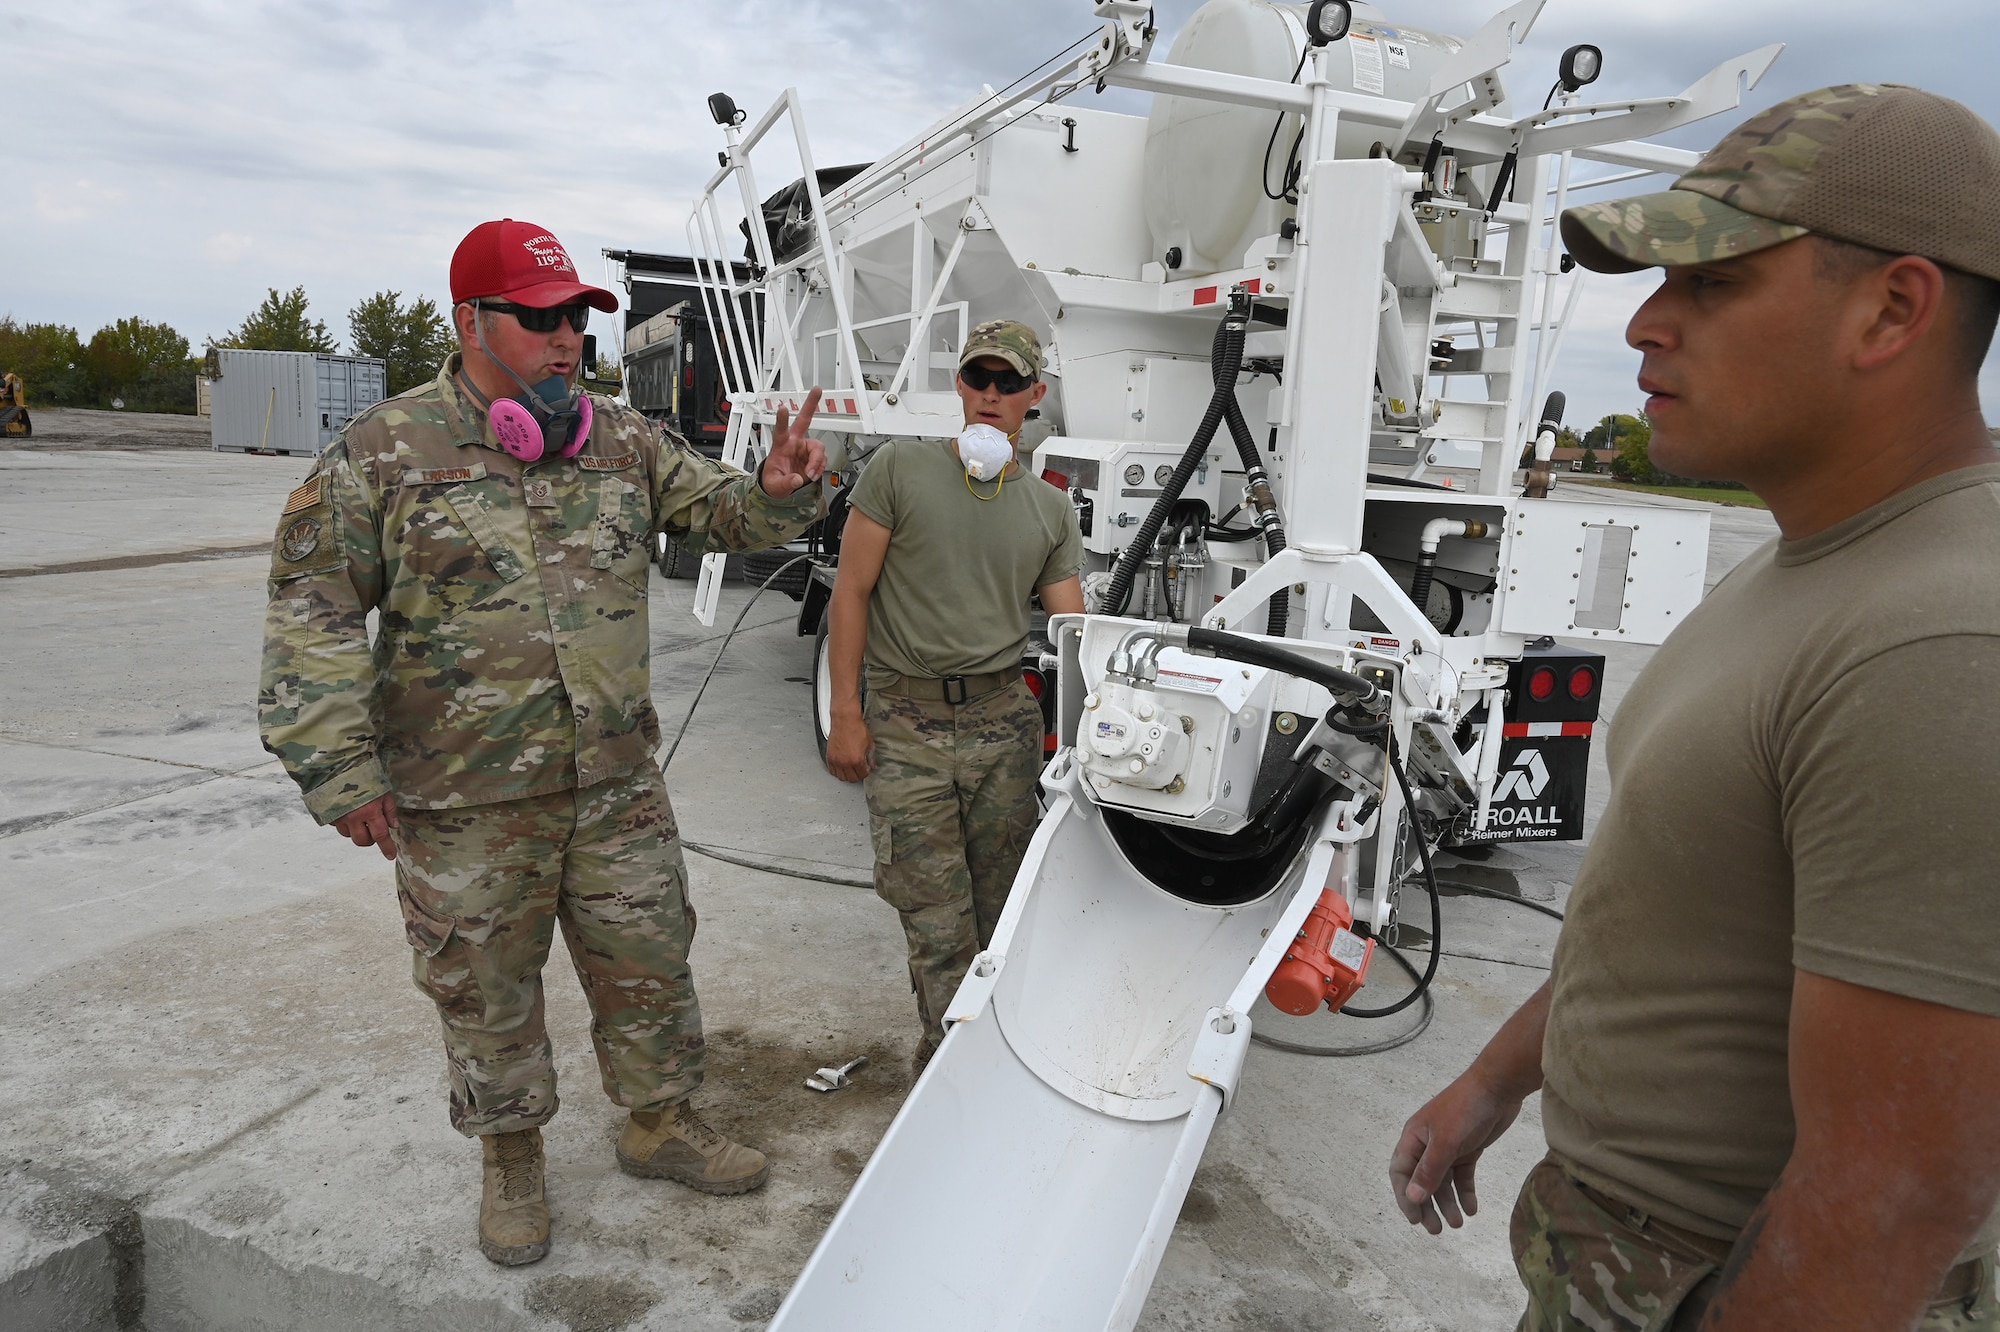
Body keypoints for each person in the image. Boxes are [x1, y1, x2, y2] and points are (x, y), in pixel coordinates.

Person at [1389, 85, 2000, 1330]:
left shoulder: (1938, 639)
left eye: (1710, 284)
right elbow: (1679, 901)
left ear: (1892, 309)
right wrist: (1499, 1080)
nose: (1646, 326)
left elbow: (1884, 1204)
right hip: (1630, 1260)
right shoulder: (1818, 562)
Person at [259, 218, 827, 1267]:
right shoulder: (386, 451)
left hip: (613, 784)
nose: (566, 339)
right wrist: (336, 764)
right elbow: (314, 610)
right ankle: (510, 1151)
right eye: (540, 318)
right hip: (463, 799)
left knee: (650, 961)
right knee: (483, 985)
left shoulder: (621, 438)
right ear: (470, 321)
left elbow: (727, 516)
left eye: (575, 318)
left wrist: (781, 492)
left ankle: (659, 1122)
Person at [823, 320, 1085, 1067]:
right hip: (905, 720)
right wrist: (846, 713)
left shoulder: (1049, 509)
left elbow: (1072, 626)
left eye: (1009, 383)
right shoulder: (899, 470)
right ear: (961, 387)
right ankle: (950, 1072)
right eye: (979, 379)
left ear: (1035, 395)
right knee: (936, 917)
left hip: (1003, 722)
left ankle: (993, 1055)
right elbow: (852, 592)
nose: (991, 395)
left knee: (1001, 912)